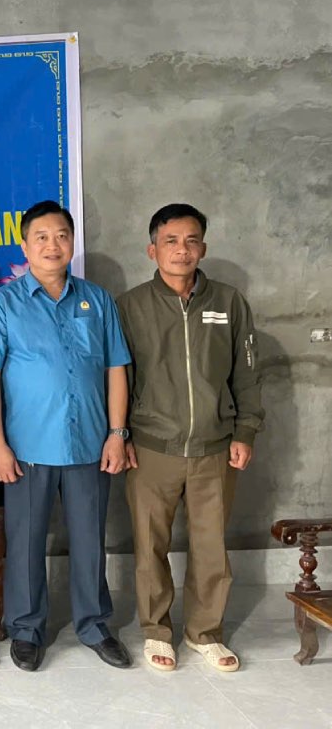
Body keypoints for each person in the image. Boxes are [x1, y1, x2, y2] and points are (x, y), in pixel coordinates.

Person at [0, 200, 133, 672]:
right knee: (25, 543)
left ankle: (94, 625)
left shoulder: (96, 300)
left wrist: (117, 433)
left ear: (72, 242)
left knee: (90, 539)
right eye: (41, 237)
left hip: (89, 444)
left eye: (61, 235)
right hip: (26, 448)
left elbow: (116, 368)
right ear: (24, 246)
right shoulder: (3, 305)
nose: (52, 245)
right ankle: (26, 629)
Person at [117, 203, 263, 673]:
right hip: (151, 446)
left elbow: (247, 374)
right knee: (150, 545)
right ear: (152, 250)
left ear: (203, 247)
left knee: (210, 545)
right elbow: (119, 378)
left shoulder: (229, 302)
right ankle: (156, 630)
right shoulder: (130, 306)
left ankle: (205, 633)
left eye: (191, 240)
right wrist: (121, 435)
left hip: (215, 446)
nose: (182, 250)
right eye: (171, 241)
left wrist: (245, 430)